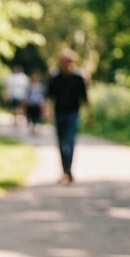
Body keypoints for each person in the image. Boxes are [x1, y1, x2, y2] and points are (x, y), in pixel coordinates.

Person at [47, 49, 89, 183]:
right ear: (61, 62)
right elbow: (49, 97)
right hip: (59, 114)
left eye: (70, 61)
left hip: (73, 114)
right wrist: (47, 111)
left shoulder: (78, 78)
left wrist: (90, 115)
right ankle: (65, 171)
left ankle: (67, 171)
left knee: (69, 142)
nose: (67, 63)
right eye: (65, 61)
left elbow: (85, 98)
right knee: (61, 143)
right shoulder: (55, 78)